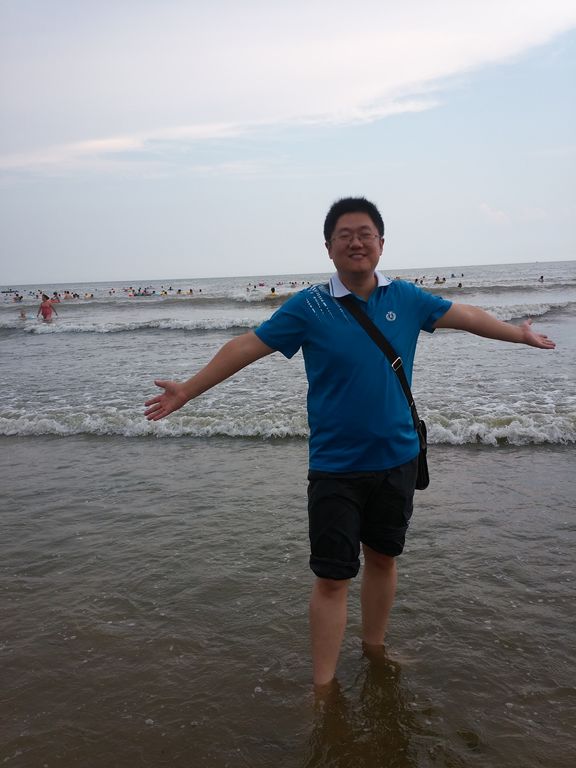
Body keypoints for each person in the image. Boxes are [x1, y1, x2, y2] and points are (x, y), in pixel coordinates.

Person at [144, 197, 556, 688]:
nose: (356, 242)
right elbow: (246, 346)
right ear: (329, 247)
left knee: (383, 558)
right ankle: (323, 686)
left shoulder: (406, 298)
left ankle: (375, 648)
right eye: (345, 235)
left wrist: (518, 335)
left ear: (381, 243)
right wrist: (188, 390)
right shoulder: (310, 306)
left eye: (365, 234)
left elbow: (466, 315)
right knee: (332, 577)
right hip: (336, 466)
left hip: (398, 457)